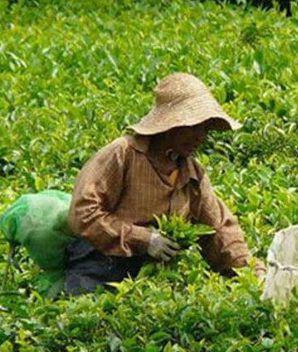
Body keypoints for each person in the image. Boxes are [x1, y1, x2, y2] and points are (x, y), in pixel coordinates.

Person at [65, 72, 264, 295]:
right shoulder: (123, 154)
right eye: (194, 126)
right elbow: (83, 213)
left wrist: (253, 274)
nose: (201, 136)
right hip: (100, 265)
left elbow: (219, 230)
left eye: (205, 129)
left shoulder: (192, 174)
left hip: (152, 277)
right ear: (171, 125)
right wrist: (144, 239)